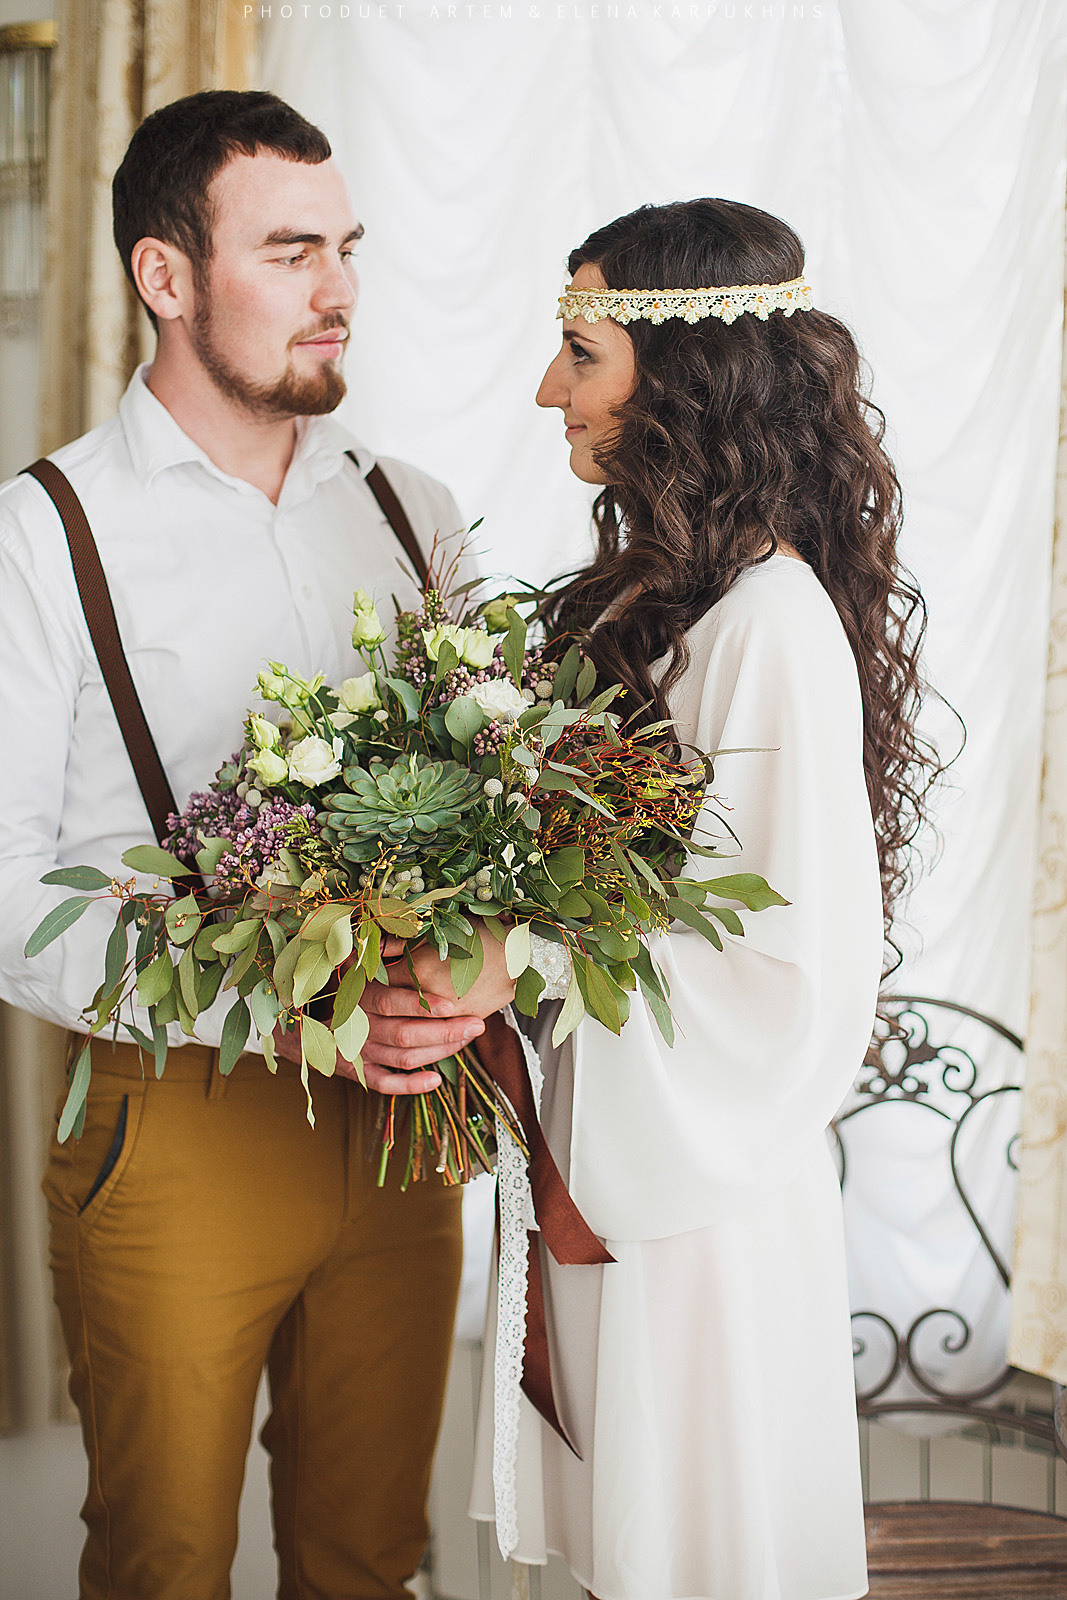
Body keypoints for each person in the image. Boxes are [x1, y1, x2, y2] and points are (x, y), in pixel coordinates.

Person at [384, 198, 936, 1599]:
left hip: (695, 1220)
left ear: (686, 376)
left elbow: (787, 977)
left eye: (580, 350)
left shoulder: (770, 626)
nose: (545, 389)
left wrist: (518, 951)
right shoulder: (678, 609)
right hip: (625, 1183)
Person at [0, 89, 487, 1600]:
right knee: (163, 1565)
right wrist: (265, 1008)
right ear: (166, 275)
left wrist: (476, 963)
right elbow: (3, 891)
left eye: (346, 248)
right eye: (290, 251)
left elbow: (491, 820)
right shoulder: (41, 533)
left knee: (371, 1559)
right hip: (176, 1123)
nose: (338, 292)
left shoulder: (415, 514)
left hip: (405, 1134)